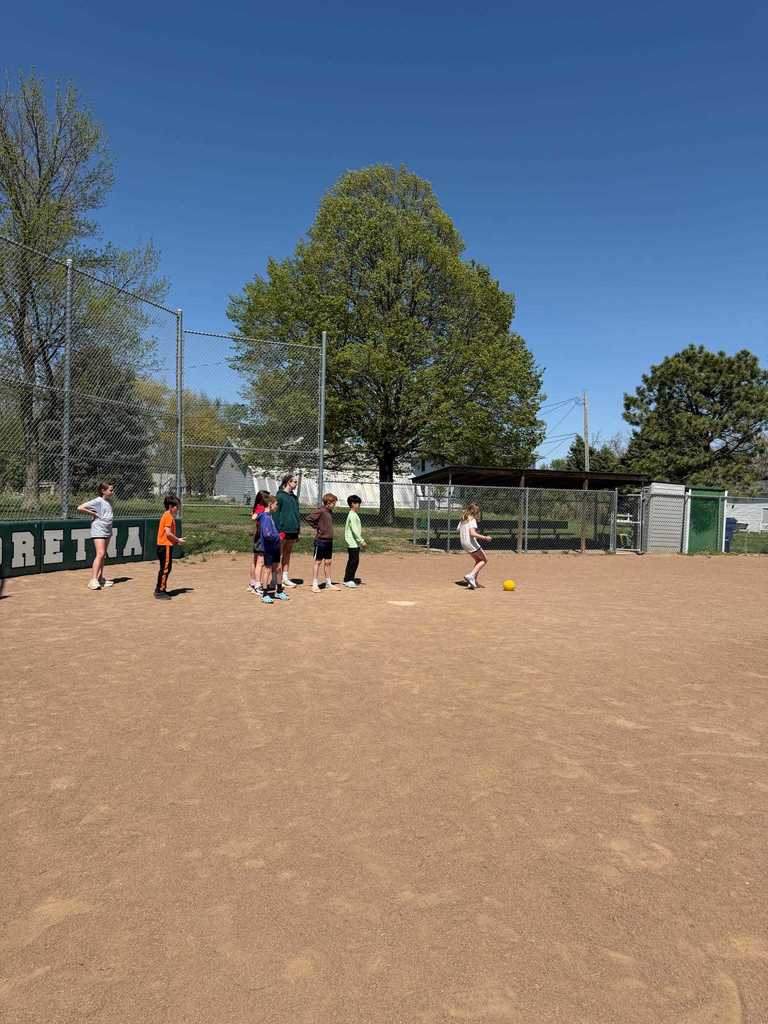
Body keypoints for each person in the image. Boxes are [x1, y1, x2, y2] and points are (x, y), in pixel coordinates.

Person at [77, 482, 115, 591]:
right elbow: (80, 507)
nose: (112, 492)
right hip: (98, 529)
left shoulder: (109, 501)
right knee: (100, 553)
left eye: (112, 490)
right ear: (103, 491)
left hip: (107, 530)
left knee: (103, 555)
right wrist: (92, 513)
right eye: (110, 490)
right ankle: (93, 580)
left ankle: (100, 579)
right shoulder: (98, 501)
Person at [257, 494, 288, 605]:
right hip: (269, 548)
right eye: (276, 504)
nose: (277, 507)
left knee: (278, 568)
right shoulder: (265, 517)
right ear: (270, 504)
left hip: (275, 547)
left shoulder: (269, 516)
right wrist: (278, 536)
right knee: (268, 569)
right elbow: (266, 534)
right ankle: (265, 594)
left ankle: (279, 591)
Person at [304, 493, 338, 592]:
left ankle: (328, 583)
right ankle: (315, 584)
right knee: (318, 562)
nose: (334, 505)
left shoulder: (329, 512)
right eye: (333, 503)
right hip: (321, 541)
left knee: (328, 562)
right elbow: (309, 518)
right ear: (328, 502)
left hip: (329, 541)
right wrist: (317, 527)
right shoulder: (321, 510)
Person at [155, 495, 184, 600]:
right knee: (166, 569)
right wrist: (177, 539)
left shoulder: (167, 515)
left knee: (165, 568)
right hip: (165, 546)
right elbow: (168, 533)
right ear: (171, 506)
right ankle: (160, 591)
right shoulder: (168, 516)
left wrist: (175, 542)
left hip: (164, 545)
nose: (178, 508)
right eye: (176, 506)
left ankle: (159, 589)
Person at [458, 502, 492, 590]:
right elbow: (472, 533)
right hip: (470, 543)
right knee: (484, 559)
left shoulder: (463, 519)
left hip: (464, 543)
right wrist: (485, 537)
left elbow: (460, 530)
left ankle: (472, 582)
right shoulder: (472, 519)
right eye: (477, 512)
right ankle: (471, 575)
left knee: (478, 560)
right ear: (475, 512)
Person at [275, 473, 301, 587]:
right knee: (278, 555)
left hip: (293, 530)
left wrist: (297, 529)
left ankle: (285, 578)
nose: (296, 484)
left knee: (287, 554)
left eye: (296, 482)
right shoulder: (279, 496)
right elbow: (275, 514)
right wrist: (278, 530)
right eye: (294, 481)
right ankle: (276, 579)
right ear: (288, 482)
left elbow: (296, 514)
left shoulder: (294, 498)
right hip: (282, 530)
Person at [249, 489, 270, 595]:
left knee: (256, 561)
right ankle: (256, 585)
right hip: (260, 537)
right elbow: (253, 517)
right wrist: (258, 514)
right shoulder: (261, 507)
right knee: (259, 562)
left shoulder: (258, 506)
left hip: (258, 536)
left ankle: (252, 583)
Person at [343, 494, 366, 588]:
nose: (358, 505)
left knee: (354, 561)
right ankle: (347, 579)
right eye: (357, 503)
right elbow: (355, 530)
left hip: (354, 543)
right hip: (352, 542)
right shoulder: (352, 515)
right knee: (353, 561)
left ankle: (350, 578)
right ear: (352, 504)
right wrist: (361, 541)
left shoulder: (354, 514)